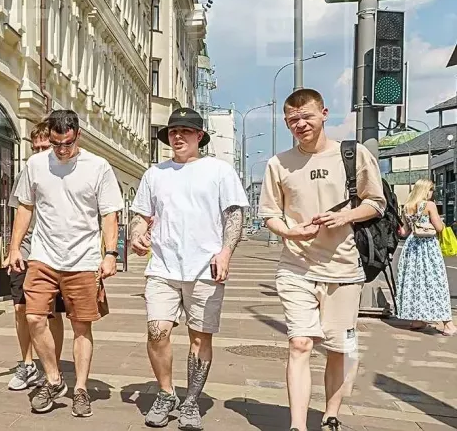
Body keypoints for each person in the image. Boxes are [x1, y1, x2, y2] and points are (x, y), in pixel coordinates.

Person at [258, 88, 386, 431]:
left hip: (344, 268)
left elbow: (377, 203)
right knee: (300, 343)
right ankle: (298, 426)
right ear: (286, 122)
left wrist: (346, 217)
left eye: (307, 116)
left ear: (324, 114)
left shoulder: (352, 155)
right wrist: (288, 232)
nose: (300, 124)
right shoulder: (278, 164)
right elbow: (269, 214)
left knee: (338, 348)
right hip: (296, 266)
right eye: (293, 119)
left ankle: (331, 414)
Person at [129, 108, 248, 430]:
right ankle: (166, 393)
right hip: (163, 267)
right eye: (172, 132)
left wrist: (225, 253)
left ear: (199, 136)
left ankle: (191, 401)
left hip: (205, 268)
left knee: (200, 338)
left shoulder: (219, 171)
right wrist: (137, 234)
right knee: (157, 331)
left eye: (185, 131)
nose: (177, 136)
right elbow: (140, 215)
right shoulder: (155, 173)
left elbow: (235, 216)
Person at [9, 109, 124, 418]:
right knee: (33, 318)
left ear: (78, 136)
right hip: (43, 256)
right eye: (56, 143)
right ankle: (53, 378)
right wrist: (14, 247)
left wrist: (110, 254)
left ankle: (82, 389)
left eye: (67, 144)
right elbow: (24, 207)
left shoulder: (98, 167)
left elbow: (109, 214)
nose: (61, 150)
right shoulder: (35, 164)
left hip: (83, 260)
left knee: (81, 327)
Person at [4, 121, 65, 391]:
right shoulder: (26, 172)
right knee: (20, 308)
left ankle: (52, 365)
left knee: (51, 312)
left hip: (54, 253)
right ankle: (27, 363)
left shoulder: (63, 172)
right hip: (27, 250)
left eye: (45, 145)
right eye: (35, 146)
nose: (39, 150)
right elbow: (17, 214)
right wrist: (12, 248)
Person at [396, 179, 456, 336]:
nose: (432, 193)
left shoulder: (407, 207)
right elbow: (439, 227)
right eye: (431, 190)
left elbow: (404, 232)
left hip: (411, 247)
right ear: (424, 190)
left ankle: (418, 320)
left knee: (415, 282)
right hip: (428, 247)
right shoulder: (429, 205)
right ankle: (448, 325)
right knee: (436, 283)